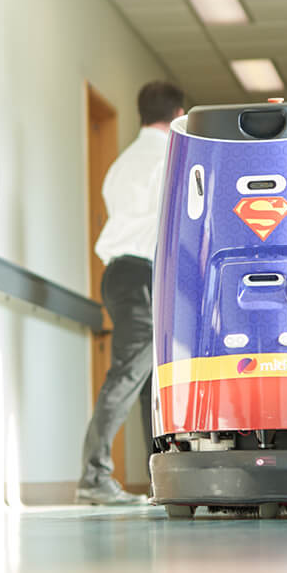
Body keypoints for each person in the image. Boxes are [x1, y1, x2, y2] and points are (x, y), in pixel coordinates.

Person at [76, 81, 185, 506]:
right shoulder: (170, 156)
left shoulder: (121, 163)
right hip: (142, 274)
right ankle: (94, 474)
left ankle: (158, 477)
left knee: (146, 381)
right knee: (129, 374)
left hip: (117, 273)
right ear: (178, 115)